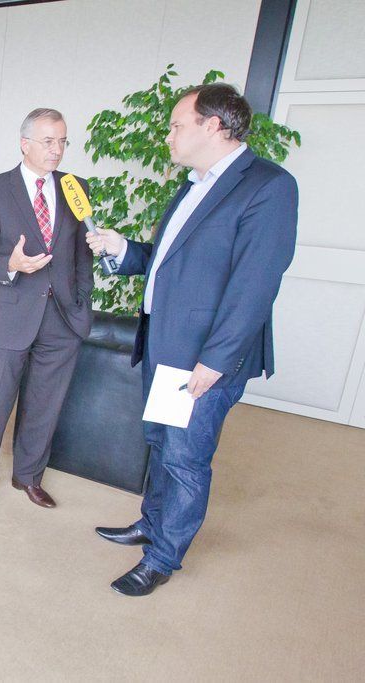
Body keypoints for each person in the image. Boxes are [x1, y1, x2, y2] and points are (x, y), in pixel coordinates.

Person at [86, 83, 298, 597]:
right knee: (160, 445)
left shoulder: (269, 186)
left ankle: (162, 557)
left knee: (184, 459)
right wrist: (124, 249)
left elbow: (254, 285)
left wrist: (216, 360)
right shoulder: (192, 184)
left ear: (214, 126)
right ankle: (151, 523)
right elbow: (170, 260)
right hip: (166, 345)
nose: (169, 135)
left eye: (178, 125)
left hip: (204, 358)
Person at [0, 108, 94, 509]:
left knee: (44, 405)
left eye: (63, 142)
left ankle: (29, 476)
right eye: (48, 141)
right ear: (25, 144)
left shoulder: (76, 187)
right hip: (11, 313)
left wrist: (83, 303)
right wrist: (11, 264)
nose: (57, 150)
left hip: (63, 318)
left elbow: (83, 255)